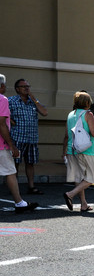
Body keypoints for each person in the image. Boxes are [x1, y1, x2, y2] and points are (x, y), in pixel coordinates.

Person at [0, 74, 38, 213]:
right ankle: (19, 203)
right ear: (2, 86)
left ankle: (20, 202)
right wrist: (11, 144)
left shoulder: (31, 101)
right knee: (10, 171)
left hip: (28, 138)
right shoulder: (3, 100)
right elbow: (2, 124)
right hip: (2, 145)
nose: (27, 89)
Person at [62, 91, 94, 212]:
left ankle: (83, 204)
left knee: (79, 178)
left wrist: (64, 151)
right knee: (91, 177)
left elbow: (67, 134)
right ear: (87, 102)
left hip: (72, 150)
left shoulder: (71, 114)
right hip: (87, 150)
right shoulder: (88, 114)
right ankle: (70, 194)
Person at [8, 78, 48, 194]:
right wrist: (9, 119)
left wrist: (34, 98)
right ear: (17, 89)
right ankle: (13, 188)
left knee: (30, 163)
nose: (27, 88)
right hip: (17, 138)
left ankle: (31, 186)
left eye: (28, 86)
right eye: (23, 86)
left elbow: (44, 113)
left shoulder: (33, 101)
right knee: (15, 163)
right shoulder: (11, 101)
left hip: (32, 138)